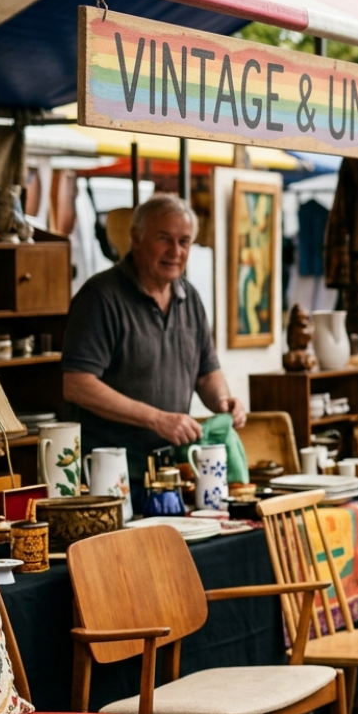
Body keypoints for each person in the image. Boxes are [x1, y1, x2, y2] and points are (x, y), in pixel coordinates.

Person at [63, 194, 246, 509]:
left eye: (184, 241)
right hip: (112, 478)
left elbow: (206, 370)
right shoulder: (100, 297)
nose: (176, 251)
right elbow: (77, 384)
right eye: (164, 239)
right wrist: (157, 419)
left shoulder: (190, 298)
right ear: (136, 238)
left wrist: (222, 401)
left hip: (171, 475)